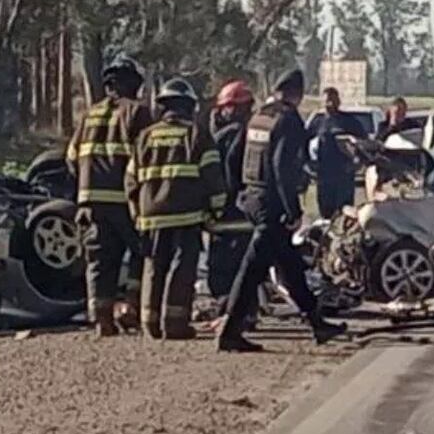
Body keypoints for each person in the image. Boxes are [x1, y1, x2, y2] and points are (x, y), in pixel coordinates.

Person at [217, 69, 347, 353]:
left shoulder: (259, 115)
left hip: (252, 198)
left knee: (289, 265)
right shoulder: (288, 120)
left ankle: (317, 323)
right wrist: (293, 210)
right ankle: (229, 332)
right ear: (297, 94)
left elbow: (233, 157)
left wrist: (239, 191)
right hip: (271, 205)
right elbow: (281, 167)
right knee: (251, 270)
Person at [126, 78, 226, 340]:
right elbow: (212, 177)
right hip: (186, 215)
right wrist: (217, 210)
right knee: (181, 267)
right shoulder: (197, 135)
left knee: (153, 266)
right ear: (189, 107)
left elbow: (130, 180)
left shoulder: (145, 137)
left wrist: (136, 211)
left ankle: (150, 322)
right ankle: (175, 324)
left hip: (150, 218)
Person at [68, 53, 152, 337]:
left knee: (100, 260)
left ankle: (101, 318)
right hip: (126, 202)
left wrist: (85, 184)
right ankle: (131, 307)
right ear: (134, 84)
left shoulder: (88, 115)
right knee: (143, 252)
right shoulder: (138, 113)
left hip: (90, 202)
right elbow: (148, 158)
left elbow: (71, 156)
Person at [206, 80, 256, 312]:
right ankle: (243, 311)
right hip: (245, 212)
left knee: (223, 268)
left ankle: (228, 309)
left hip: (224, 214)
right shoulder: (252, 136)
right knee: (246, 267)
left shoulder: (220, 138)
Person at [307, 87, 367, 219]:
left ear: (339, 101)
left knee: (344, 213)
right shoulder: (318, 122)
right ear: (321, 102)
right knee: (326, 214)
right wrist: (309, 164)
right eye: (327, 100)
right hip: (324, 176)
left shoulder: (349, 122)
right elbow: (304, 143)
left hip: (344, 176)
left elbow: (364, 144)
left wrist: (357, 162)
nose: (330, 104)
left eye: (333, 100)